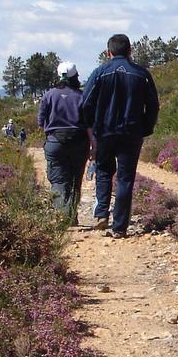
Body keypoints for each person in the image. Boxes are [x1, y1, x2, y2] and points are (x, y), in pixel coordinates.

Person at [80, 34, 160, 238]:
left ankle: (101, 215)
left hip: (104, 131)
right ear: (130, 51)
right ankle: (120, 226)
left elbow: (85, 103)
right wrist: (145, 128)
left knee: (104, 172)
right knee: (125, 178)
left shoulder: (99, 73)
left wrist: (91, 127)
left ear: (109, 52)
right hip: (131, 133)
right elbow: (153, 106)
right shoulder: (142, 74)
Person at [38, 62, 91, 225]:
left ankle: (61, 217)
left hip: (55, 142)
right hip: (79, 142)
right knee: (75, 180)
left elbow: (40, 122)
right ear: (75, 76)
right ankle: (71, 216)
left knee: (59, 181)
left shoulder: (48, 95)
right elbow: (89, 122)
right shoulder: (82, 96)